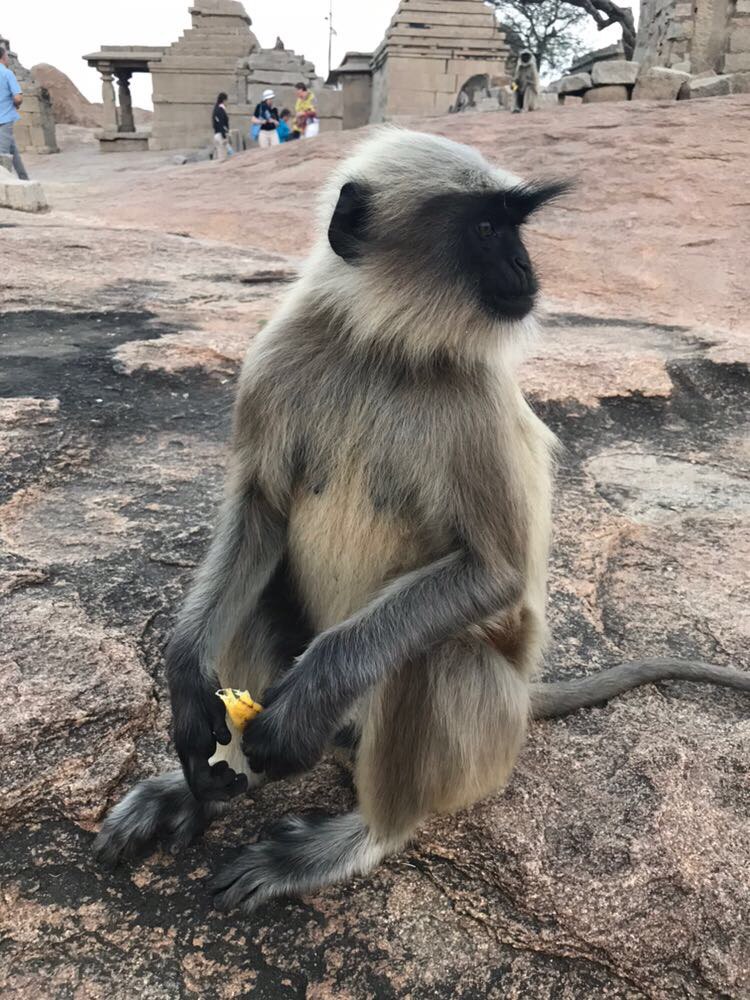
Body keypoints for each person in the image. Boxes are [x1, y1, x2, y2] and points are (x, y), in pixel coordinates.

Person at [0, 45, 29, 180]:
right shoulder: (7, 73)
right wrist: (16, 104)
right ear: (3, 57)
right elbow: (18, 97)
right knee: (3, 155)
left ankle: (24, 179)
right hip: (5, 118)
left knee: (13, 151)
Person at [212, 92, 230, 162]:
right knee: (223, 159)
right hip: (220, 135)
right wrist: (224, 136)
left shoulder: (216, 108)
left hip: (218, 134)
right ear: (224, 100)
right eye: (227, 101)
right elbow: (221, 124)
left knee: (221, 157)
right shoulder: (220, 110)